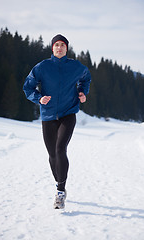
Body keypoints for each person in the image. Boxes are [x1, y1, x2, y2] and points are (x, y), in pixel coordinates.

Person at [23, 34, 91, 209]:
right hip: (48, 115)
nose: (59, 47)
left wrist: (82, 92)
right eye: (56, 45)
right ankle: (59, 182)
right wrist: (38, 98)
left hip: (68, 113)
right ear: (52, 48)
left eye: (62, 45)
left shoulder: (76, 66)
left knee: (61, 148)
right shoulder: (42, 67)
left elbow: (86, 77)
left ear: (66, 48)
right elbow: (28, 86)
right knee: (52, 154)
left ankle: (60, 190)